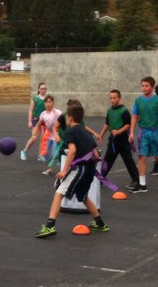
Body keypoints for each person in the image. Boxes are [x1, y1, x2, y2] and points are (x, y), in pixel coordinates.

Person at [35, 102, 109, 237]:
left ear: (69, 118)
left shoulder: (70, 131)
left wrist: (64, 170)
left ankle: (49, 226)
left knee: (58, 193)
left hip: (79, 169)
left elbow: (72, 150)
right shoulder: (85, 132)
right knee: (83, 196)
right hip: (89, 170)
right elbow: (96, 153)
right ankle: (100, 223)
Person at [130, 77, 158, 191]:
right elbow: (134, 116)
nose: (144, 88)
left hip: (155, 131)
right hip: (143, 131)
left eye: (146, 86)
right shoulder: (138, 100)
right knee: (141, 156)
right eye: (142, 85)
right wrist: (132, 132)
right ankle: (142, 184)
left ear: (152, 87)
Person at [98, 89, 141, 191]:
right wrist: (101, 134)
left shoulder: (123, 110)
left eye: (114, 98)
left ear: (119, 98)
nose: (112, 100)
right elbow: (107, 123)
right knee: (107, 160)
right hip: (113, 141)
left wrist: (118, 131)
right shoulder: (109, 110)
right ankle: (99, 179)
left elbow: (128, 124)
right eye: (111, 98)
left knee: (128, 160)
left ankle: (136, 180)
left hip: (123, 141)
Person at [20, 82, 49, 161]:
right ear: (39, 89)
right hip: (36, 120)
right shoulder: (35, 98)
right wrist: (29, 121)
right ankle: (24, 151)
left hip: (44, 121)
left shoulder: (47, 99)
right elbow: (31, 110)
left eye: (45, 89)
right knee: (34, 137)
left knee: (43, 139)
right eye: (42, 89)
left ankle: (40, 155)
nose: (43, 90)